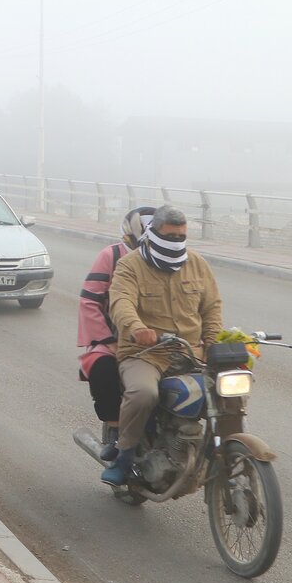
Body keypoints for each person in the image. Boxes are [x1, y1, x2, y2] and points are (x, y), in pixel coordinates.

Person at [101, 205, 223, 486]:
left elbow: (212, 307)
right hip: (146, 354)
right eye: (170, 235)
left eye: (182, 235)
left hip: (191, 353)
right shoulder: (130, 265)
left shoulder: (197, 264)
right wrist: (137, 328)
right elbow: (121, 302)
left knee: (226, 391)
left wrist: (213, 342)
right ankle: (124, 456)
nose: (176, 241)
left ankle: (222, 449)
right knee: (143, 393)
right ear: (153, 233)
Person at [77, 207, 156, 434]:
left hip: (161, 336)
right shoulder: (111, 256)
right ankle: (115, 431)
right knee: (102, 367)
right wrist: (108, 339)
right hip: (115, 335)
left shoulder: (172, 259)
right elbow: (90, 301)